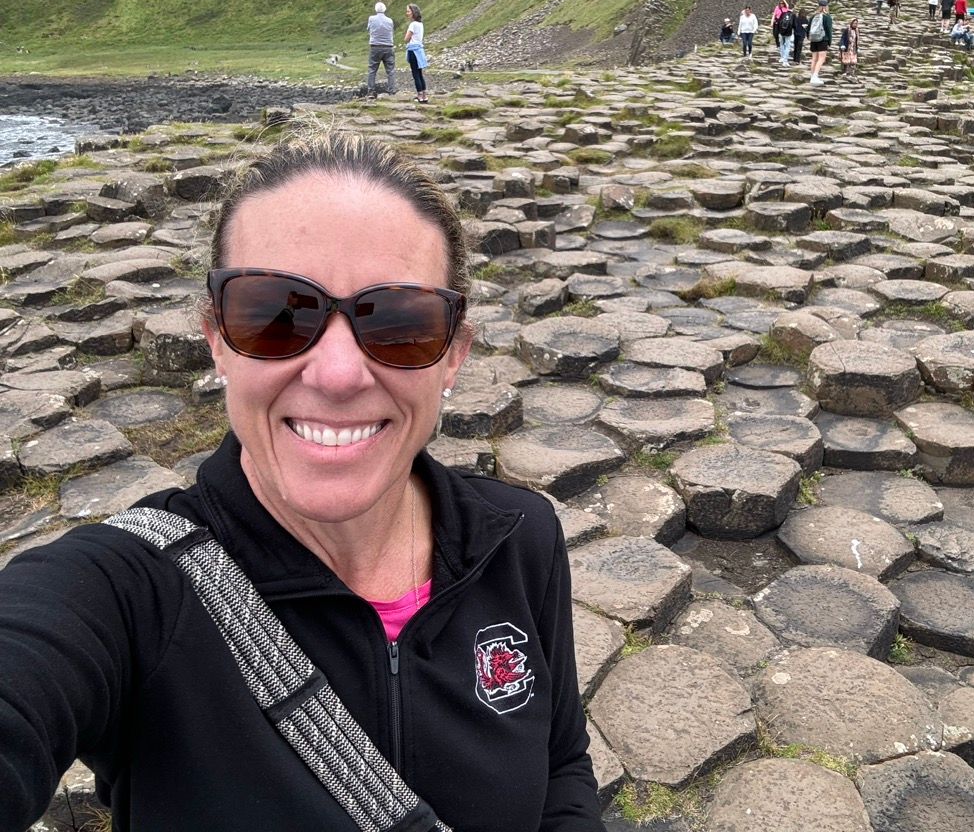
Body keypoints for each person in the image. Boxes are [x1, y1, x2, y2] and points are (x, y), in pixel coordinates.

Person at [0, 132, 605, 830]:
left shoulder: (520, 539)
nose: (339, 374)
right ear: (217, 340)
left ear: (453, 356)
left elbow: (561, 766)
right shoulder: (130, 593)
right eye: (274, 314)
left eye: (400, 323)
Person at [366, 1, 395, 95]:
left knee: (372, 70)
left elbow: (369, 29)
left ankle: (371, 91)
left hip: (375, 46)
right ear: (384, 9)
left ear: (376, 9)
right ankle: (391, 91)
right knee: (390, 71)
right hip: (388, 47)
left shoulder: (371, 18)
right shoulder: (390, 20)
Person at [403, 3, 429, 104]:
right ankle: (424, 95)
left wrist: (407, 37)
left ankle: (419, 96)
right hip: (419, 50)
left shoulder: (413, 24)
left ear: (413, 12)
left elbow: (406, 39)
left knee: (415, 74)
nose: (407, 13)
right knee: (420, 73)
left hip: (413, 50)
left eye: (408, 11)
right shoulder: (420, 24)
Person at [808, 0, 834, 85]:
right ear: (826, 6)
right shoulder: (827, 17)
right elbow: (829, 30)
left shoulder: (813, 16)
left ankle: (812, 76)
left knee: (814, 59)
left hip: (813, 39)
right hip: (823, 39)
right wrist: (829, 41)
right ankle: (815, 76)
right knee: (821, 58)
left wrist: (809, 37)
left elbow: (808, 28)